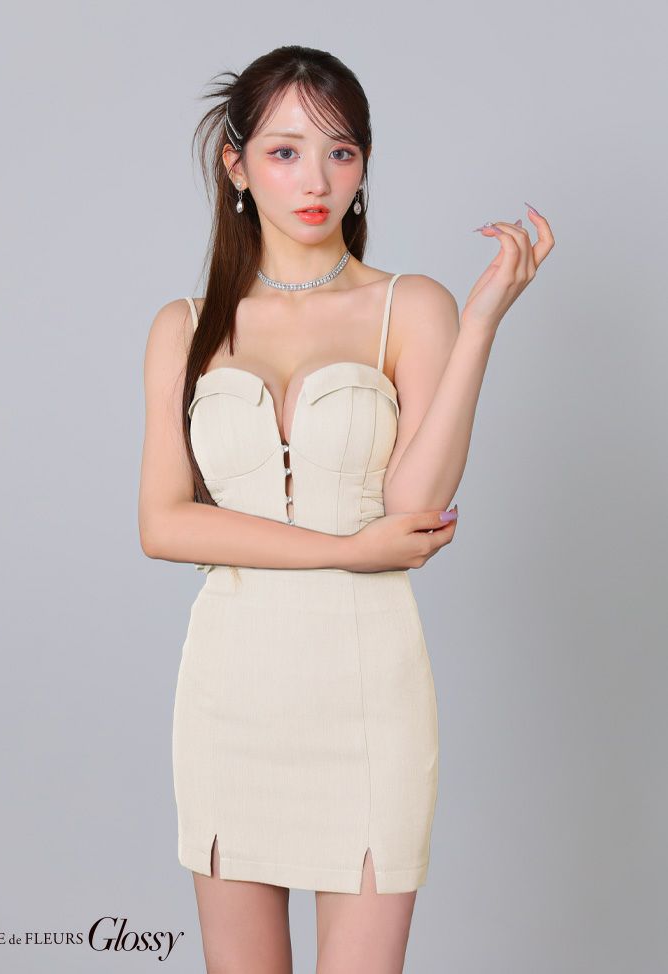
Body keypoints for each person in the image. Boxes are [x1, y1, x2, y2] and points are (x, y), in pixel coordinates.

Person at [138, 44, 554, 974]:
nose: (316, 180)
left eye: (341, 152)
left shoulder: (412, 305)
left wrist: (481, 324)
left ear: (365, 164)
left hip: (369, 696)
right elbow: (163, 524)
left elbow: (414, 508)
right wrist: (344, 549)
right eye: (284, 152)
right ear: (236, 166)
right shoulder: (184, 326)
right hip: (229, 698)